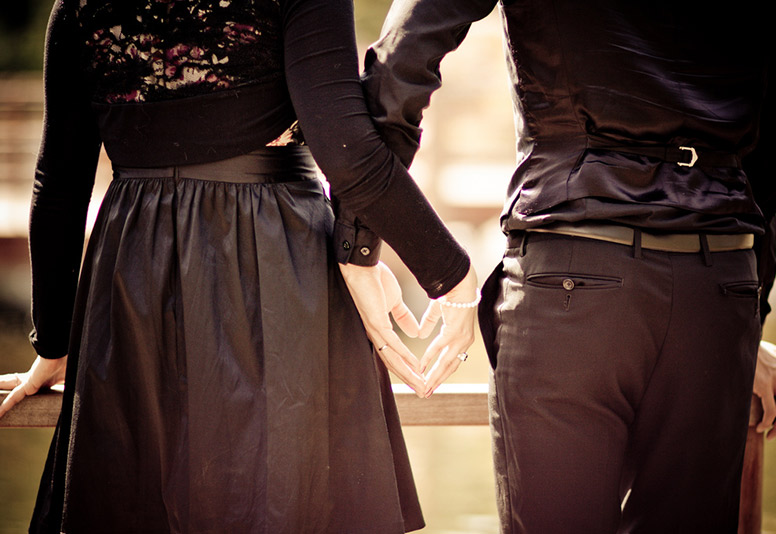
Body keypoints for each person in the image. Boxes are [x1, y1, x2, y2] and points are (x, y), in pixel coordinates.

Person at [0, 0, 479, 532]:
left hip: (132, 267)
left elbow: (58, 183)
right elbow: (346, 149)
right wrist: (450, 275)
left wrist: (55, 343)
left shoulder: (79, 6)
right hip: (279, 258)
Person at [360, 0, 776, 532]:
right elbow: (772, 154)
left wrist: (368, 238)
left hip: (575, 271)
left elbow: (402, 55)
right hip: (719, 293)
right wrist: (751, 318)